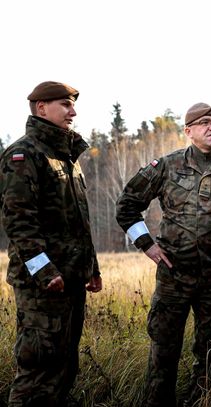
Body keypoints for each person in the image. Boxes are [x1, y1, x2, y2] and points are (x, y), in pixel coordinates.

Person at [115, 103, 211, 407]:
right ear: (188, 131)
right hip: (173, 277)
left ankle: (202, 402)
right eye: (204, 123)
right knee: (163, 352)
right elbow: (127, 205)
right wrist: (146, 244)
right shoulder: (166, 166)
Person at [0, 81, 102, 407]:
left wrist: (92, 267)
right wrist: (44, 272)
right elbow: (18, 221)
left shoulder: (67, 157)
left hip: (71, 278)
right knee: (37, 368)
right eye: (65, 105)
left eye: (73, 105)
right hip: (42, 285)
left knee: (65, 366)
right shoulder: (23, 154)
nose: (73, 112)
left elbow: (79, 222)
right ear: (42, 108)